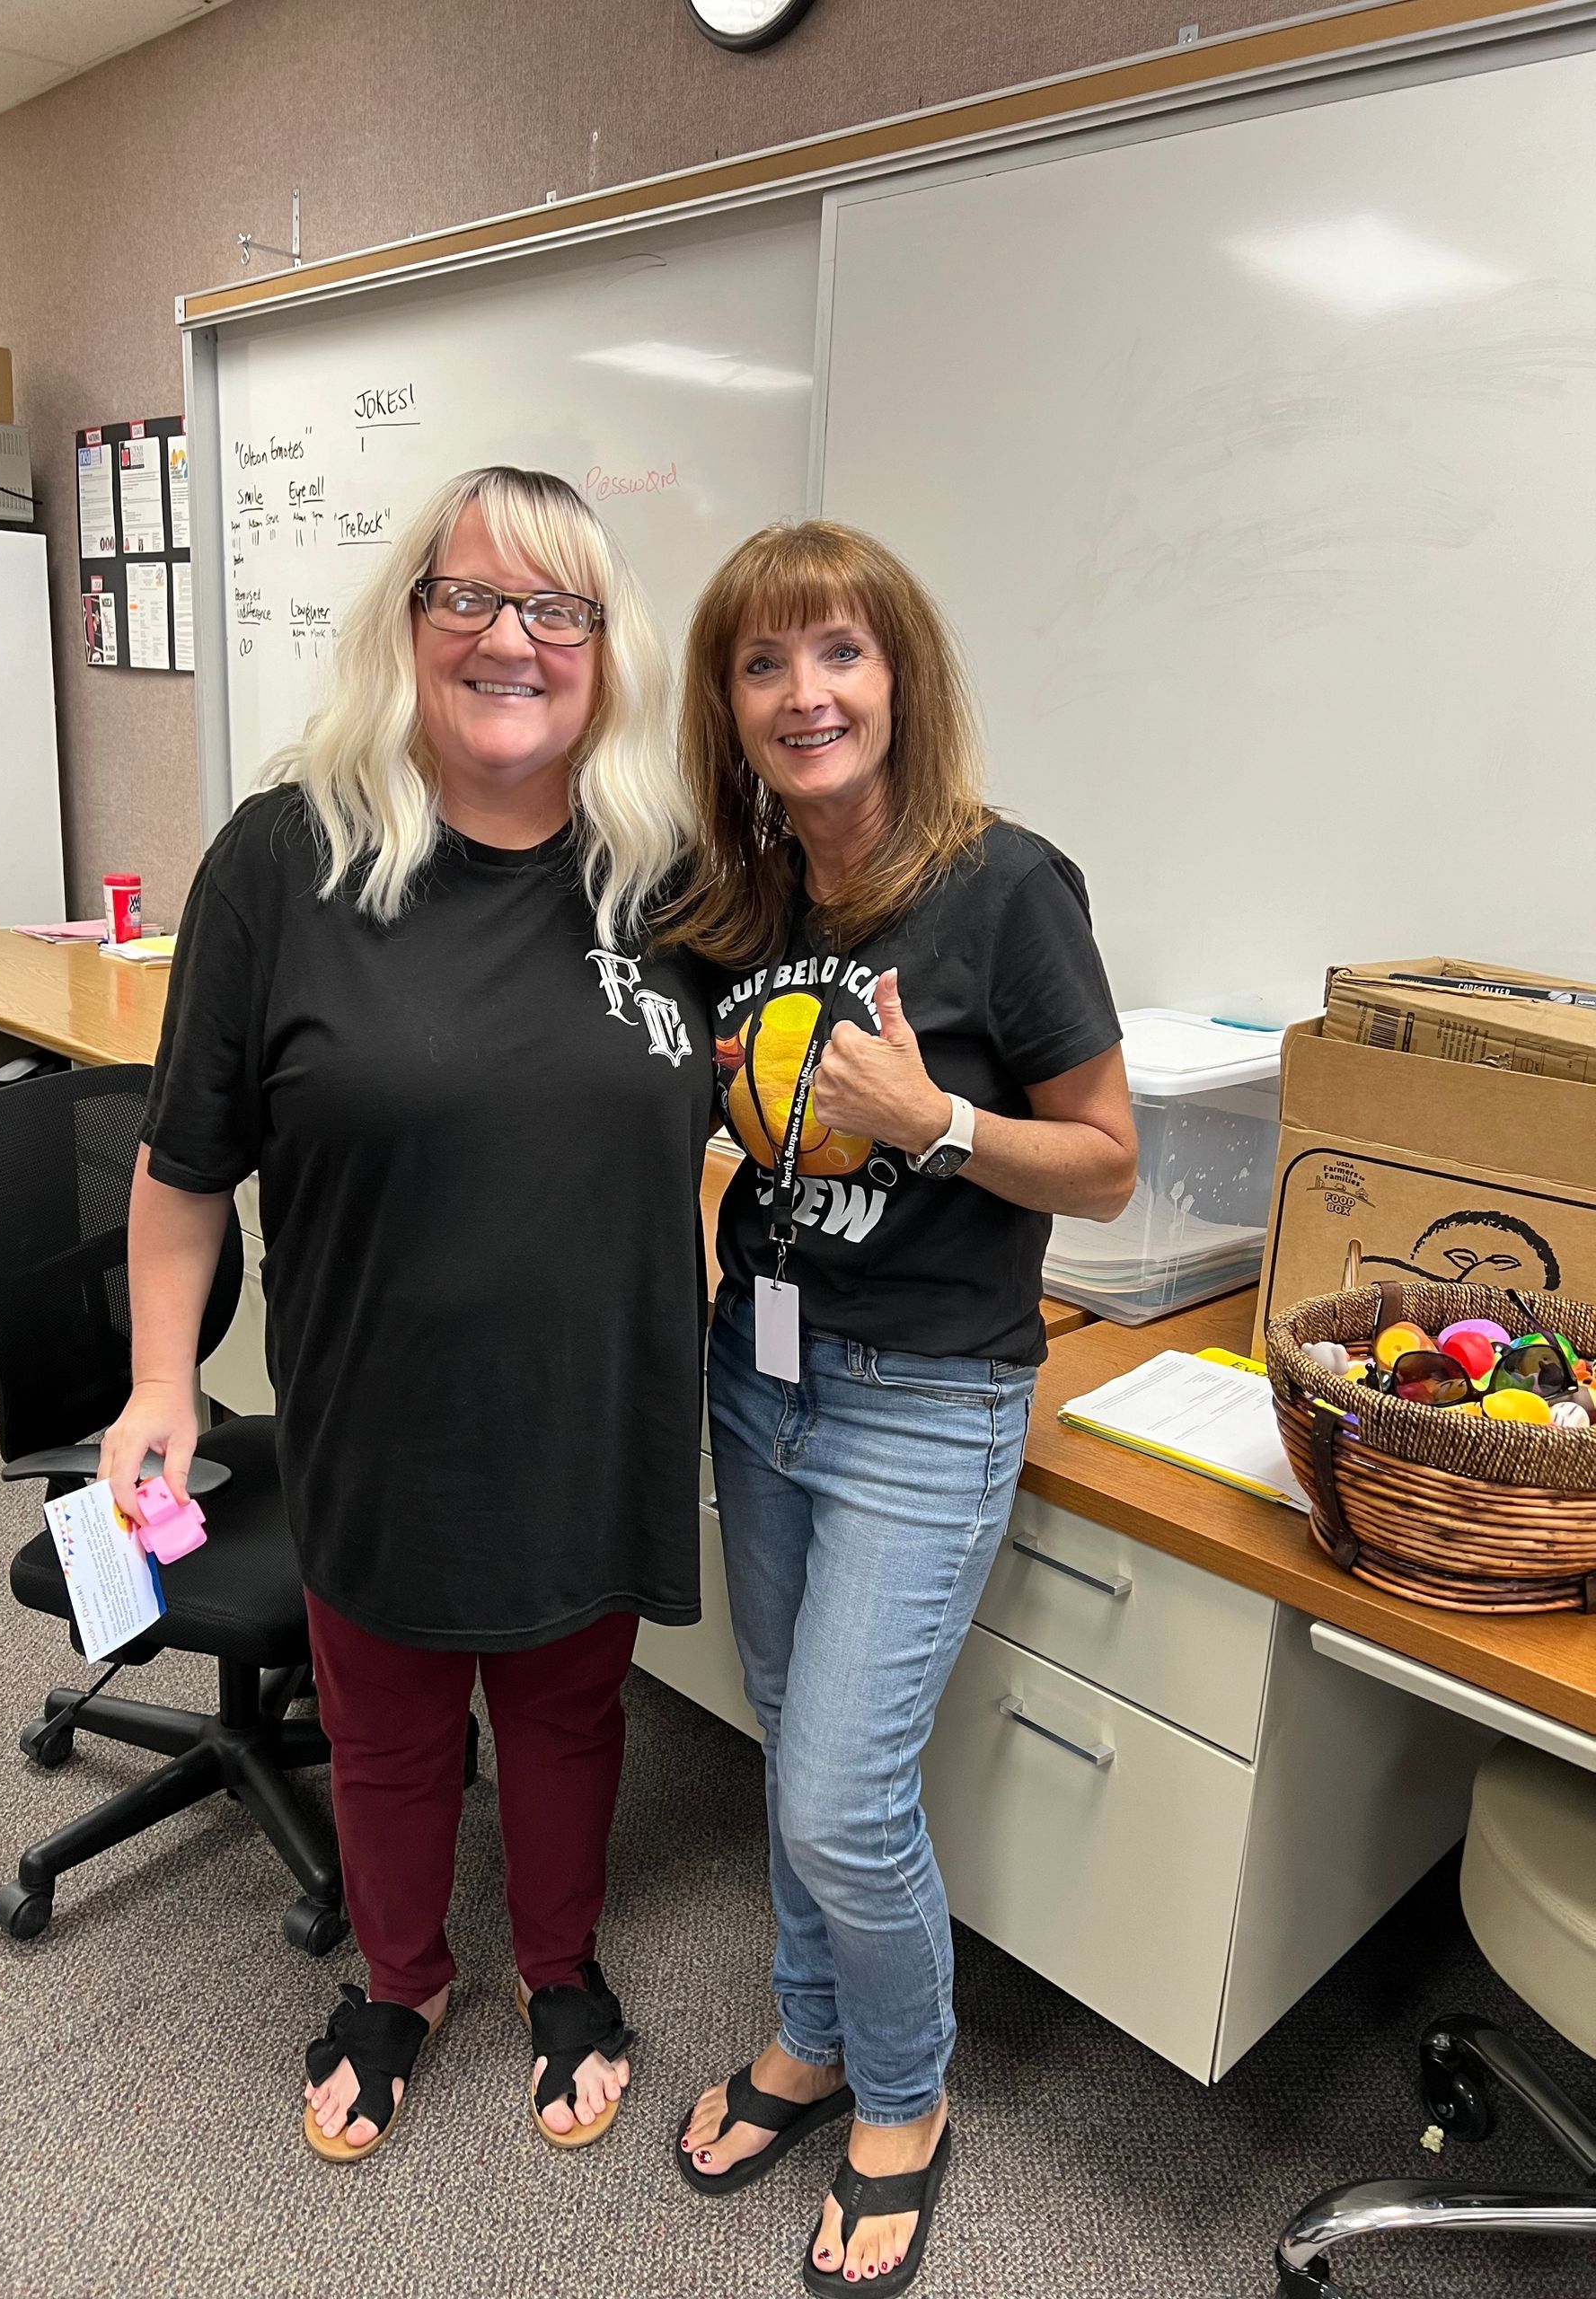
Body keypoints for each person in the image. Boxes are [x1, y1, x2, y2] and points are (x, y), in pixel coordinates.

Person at [100, 466, 712, 2161]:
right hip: (380, 1404)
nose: (514, 639)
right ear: (409, 621)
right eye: (473, 600)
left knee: (572, 1709)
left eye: (559, 608)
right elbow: (183, 1161)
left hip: (597, 1404)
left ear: (605, 646)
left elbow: (775, 1085)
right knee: (384, 1719)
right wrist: (164, 1378)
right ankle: (400, 1980)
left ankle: (558, 1966)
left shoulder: (671, 880)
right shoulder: (287, 857)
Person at [666, 520, 1137, 2293]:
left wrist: (931, 1118)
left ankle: (908, 2093)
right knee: (793, 1747)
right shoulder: (740, 900)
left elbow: (1102, 1162)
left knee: (844, 1794)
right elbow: (720, 1115)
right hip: (763, 1374)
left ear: (899, 677)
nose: (808, 694)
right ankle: (807, 2032)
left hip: (924, 1398)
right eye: (767, 663)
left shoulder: (1008, 887)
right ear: (731, 704)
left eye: (841, 653)